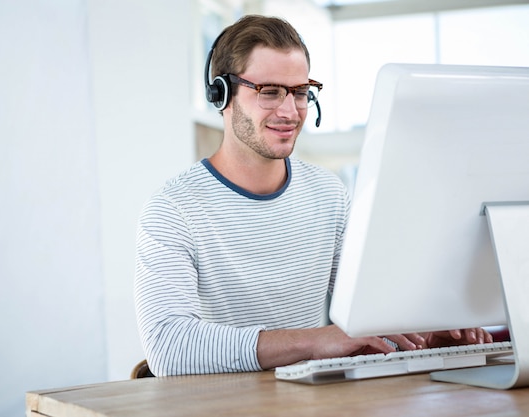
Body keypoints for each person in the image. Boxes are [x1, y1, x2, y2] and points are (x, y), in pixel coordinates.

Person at [134, 14, 491, 377]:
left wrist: (427, 336)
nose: (290, 112)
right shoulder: (173, 209)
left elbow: (366, 315)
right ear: (221, 95)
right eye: (269, 91)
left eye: (301, 92)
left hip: (308, 403)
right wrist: (314, 341)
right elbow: (168, 347)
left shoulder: (328, 194)